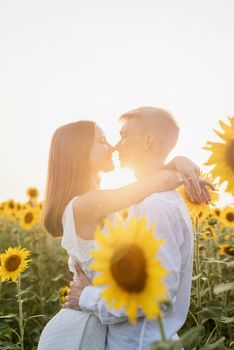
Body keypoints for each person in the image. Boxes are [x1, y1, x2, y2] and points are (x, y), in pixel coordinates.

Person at [38, 110, 212, 350]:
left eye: (118, 137)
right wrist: (179, 164)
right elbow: (156, 182)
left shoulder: (116, 205)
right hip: (83, 329)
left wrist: (178, 162)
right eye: (102, 141)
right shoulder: (85, 205)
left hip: (109, 325)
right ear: (78, 153)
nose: (113, 146)